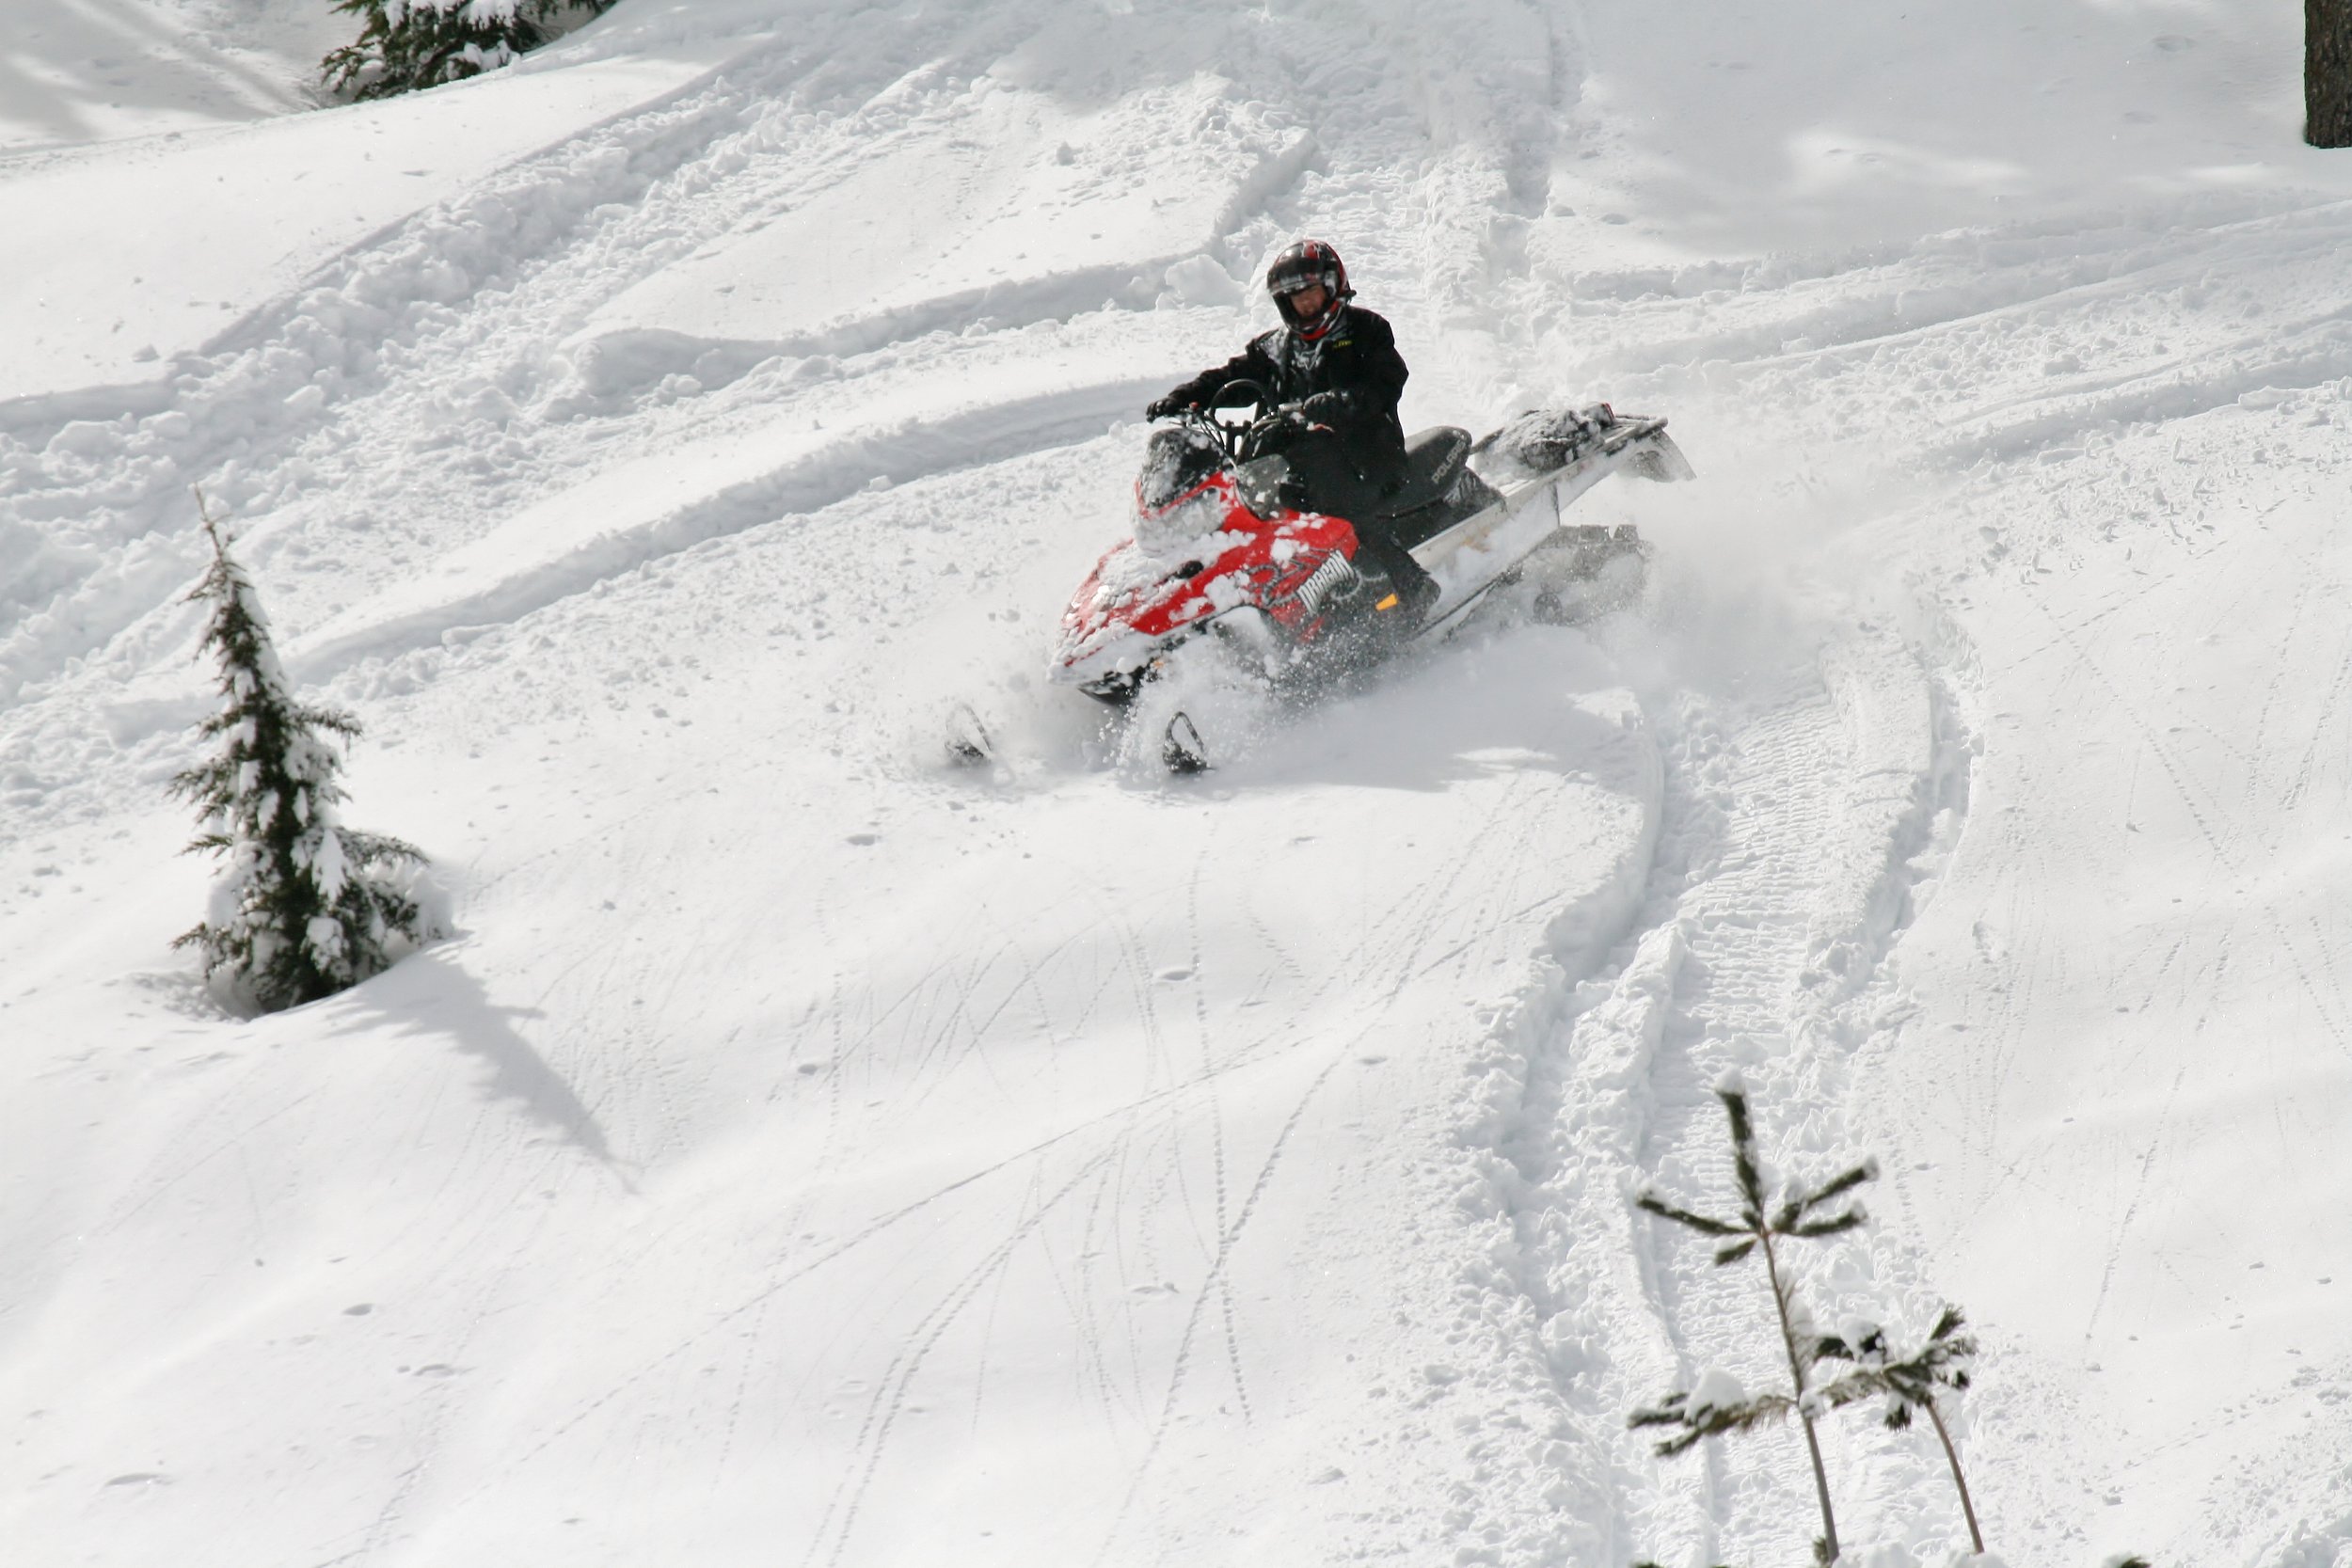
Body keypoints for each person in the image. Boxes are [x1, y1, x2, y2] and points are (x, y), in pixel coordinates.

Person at [1145, 240, 1438, 620]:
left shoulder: (1365, 330)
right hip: (1295, 463)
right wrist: (1185, 397)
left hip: (1366, 456)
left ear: (1332, 287)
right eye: (1296, 298)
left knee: (1328, 481)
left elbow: (1387, 380)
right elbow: (1231, 377)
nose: (1305, 304)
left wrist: (1342, 401)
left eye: (1311, 293)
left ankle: (1409, 581)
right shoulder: (1275, 348)